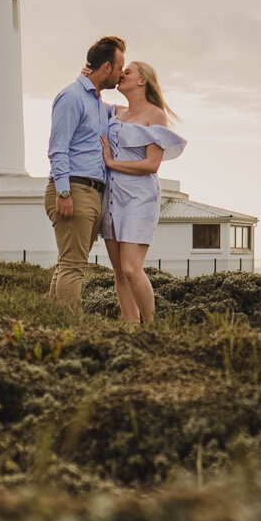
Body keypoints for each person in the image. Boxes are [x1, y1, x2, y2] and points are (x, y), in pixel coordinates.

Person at [99, 60, 184, 326]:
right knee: (119, 273)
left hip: (139, 198)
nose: (121, 74)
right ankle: (131, 328)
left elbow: (151, 164)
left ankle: (152, 325)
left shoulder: (155, 115)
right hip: (112, 197)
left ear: (142, 80)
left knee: (131, 268)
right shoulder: (115, 112)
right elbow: (89, 97)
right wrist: (89, 73)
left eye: (128, 71)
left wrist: (112, 162)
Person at [44, 35, 124, 309]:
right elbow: (58, 148)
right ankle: (67, 327)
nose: (121, 74)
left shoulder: (98, 104)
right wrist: (64, 192)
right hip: (74, 189)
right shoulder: (72, 97)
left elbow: (124, 111)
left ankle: (52, 319)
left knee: (69, 262)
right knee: (74, 265)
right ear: (106, 68)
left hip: (91, 192)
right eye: (119, 67)